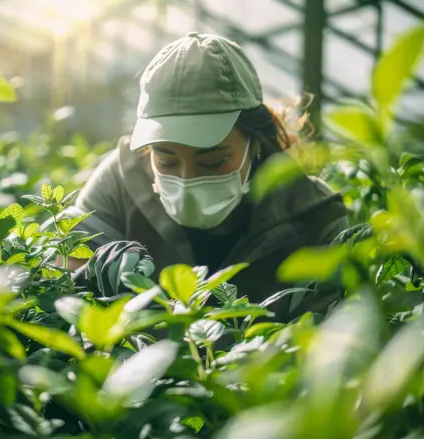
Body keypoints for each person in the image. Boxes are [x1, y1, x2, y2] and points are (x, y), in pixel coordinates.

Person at [53, 32, 350, 322]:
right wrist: (90, 276)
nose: (187, 180)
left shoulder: (312, 213)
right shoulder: (121, 178)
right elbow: (62, 276)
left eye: (213, 161)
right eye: (166, 160)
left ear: (256, 141)